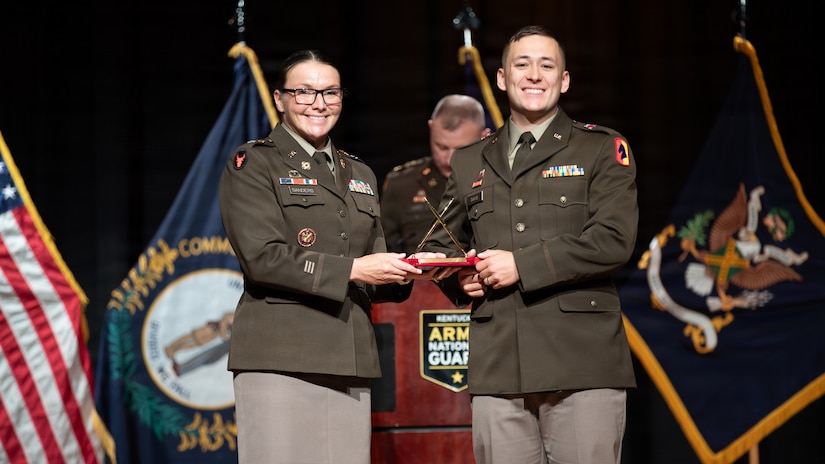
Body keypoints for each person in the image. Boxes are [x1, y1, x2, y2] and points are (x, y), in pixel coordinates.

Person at [424, 26, 638, 464]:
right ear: (502, 78)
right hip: (498, 361)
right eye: (522, 64)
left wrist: (522, 264)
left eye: (547, 66)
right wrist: (458, 282)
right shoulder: (469, 160)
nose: (534, 75)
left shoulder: (602, 148)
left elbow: (614, 240)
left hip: (582, 363)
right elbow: (439, 243)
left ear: (564, 80)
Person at [218, 49, 439, 464]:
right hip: (280, 355)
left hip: (350, 356)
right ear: (280, 98)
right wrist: (356, 269)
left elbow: (373, 266)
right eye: (304, 92)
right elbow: (262, 258)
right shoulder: (253, 163)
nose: (318, 103)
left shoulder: (360, 174)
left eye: (330, 92)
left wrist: (408, 272)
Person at [380, 94, 490, 254]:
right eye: (442, 147)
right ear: (431, 128)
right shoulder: (401, 185)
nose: (449, 160)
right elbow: (383, 257)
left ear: (484, 137)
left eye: (461, 150)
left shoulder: (500, 181)